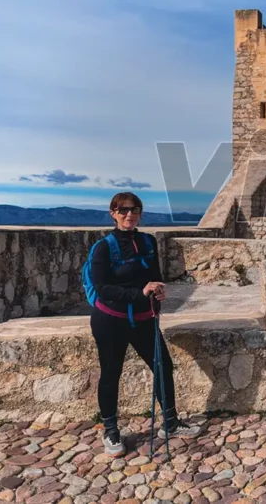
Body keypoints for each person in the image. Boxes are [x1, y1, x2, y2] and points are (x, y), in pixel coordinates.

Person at [90, 191, 200, 456]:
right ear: (113, 213)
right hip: (110, 320)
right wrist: (139, 293)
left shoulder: (149, 242)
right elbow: (102, 288)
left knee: (163, 367)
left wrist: (158, 292)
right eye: (124, 210)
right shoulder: (104, 247)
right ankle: (111, 431)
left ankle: (171, 423)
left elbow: (155, 277)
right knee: (111, 373)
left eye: (135, 209)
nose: (130, 214)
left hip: (143, 319)